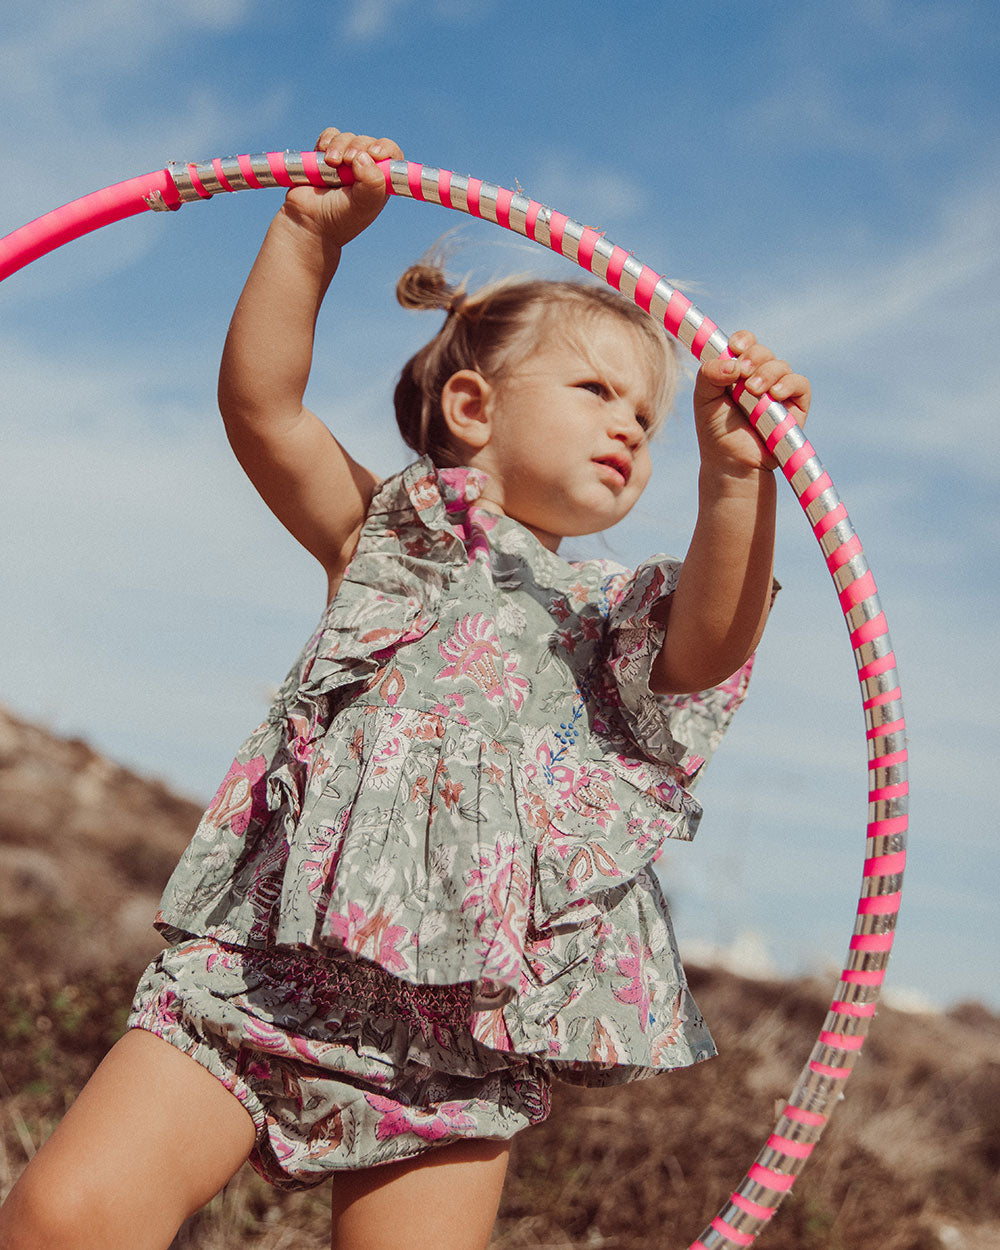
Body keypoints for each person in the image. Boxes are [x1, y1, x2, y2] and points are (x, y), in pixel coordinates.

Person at [0, 127, 810, 1250]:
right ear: (473, 408)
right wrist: (305, 237)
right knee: (65, 1217)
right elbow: (264, 411)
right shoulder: (386, 537)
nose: (630, 423)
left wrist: (735, 476)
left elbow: (712, 647)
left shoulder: (612, 617)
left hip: (452, 1036)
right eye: (595, 388)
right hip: (265, 977)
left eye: (650, 418)